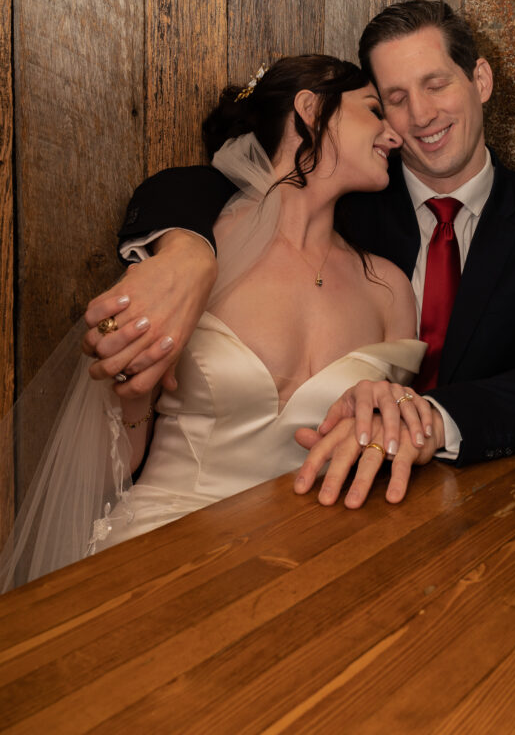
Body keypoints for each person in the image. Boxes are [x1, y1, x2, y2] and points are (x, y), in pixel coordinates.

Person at [85, 0, 515, 508]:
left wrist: (436, 420)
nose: (419, 116)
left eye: (436, 84)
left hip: (469, 504)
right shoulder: (351, 197)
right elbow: (209, 185)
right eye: (393, 99)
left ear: (480, 80)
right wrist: (185, 249)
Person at [0, 55, 430, 591]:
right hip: (172, 541)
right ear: (312, 108)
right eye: (373, 110)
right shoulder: (189, 258)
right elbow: (123, 457)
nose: (394, 133)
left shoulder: (388, 287)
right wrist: (132, 397)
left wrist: (401, 417)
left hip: (320, 553)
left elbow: (387, 442)